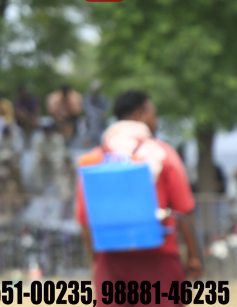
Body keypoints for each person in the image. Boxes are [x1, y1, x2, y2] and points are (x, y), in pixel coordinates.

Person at [76, 90, 202, 289]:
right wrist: (194, 257)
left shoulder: (95, 158)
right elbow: (184, 210)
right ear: (139, 115)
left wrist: (96, 261)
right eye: (153, 114)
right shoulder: (163, 154)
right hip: (160, 260)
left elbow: (85, 219)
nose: (156, 120)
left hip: (111, 262)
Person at [83, 81, 109, 145]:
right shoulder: (88, 97)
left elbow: (106, 107)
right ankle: (90, 138)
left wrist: (102, 113)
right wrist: (97, 113)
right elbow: (88, 108)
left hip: (101, 119)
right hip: (91, 118)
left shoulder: (103, 97)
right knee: (93, 120)